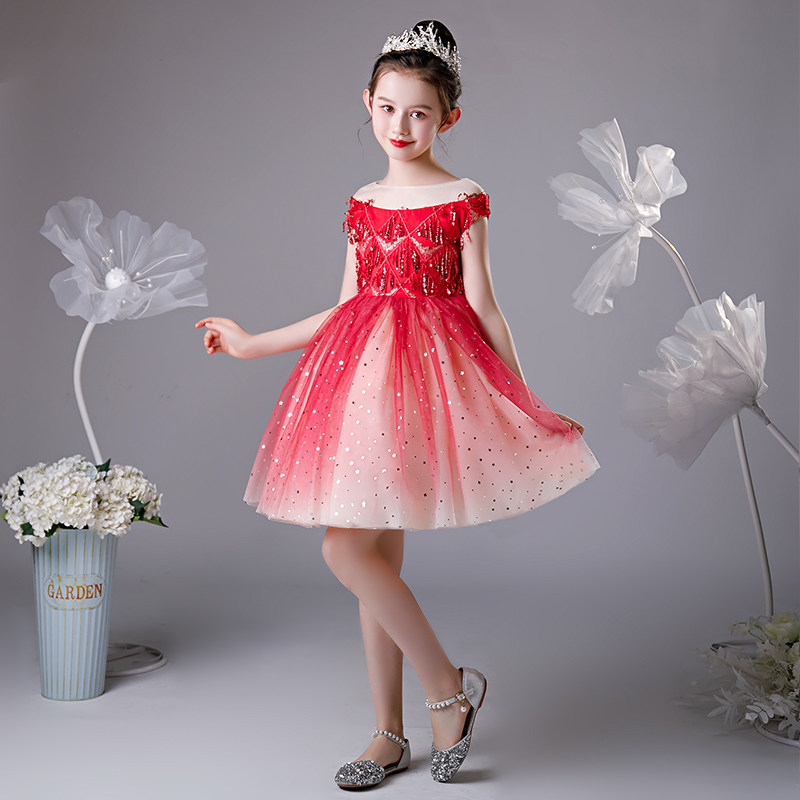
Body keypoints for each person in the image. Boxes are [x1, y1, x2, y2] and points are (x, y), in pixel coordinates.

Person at [196, 19, 598, 789]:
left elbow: (484, 306)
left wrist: (524, 399)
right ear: (367, 104)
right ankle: (388, 733)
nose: (400, 127)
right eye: (387, 109)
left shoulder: (463, 199)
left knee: (347, 553)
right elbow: (344, 306)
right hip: (358, 392)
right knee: (369, 558)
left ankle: (447, 690)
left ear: (449, 117)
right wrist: (251, 344)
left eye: (419, 112)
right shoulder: (362, 201)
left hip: (426, 394)